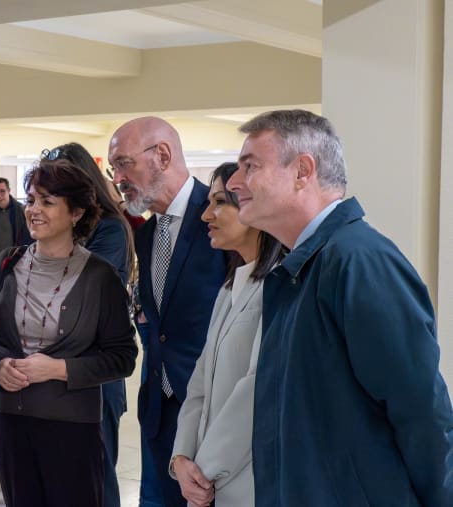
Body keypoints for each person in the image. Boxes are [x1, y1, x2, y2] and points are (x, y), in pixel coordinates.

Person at [226, 109, 453, 506]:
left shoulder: (358, 260)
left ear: (302, 171)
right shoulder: (301, 267)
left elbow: (419, 409)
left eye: (250, 166)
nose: (233, 182)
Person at [0, 159, 138, 507]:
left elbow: (122, 356)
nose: (34, 211)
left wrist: (57, 369)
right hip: (9, 419)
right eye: (30, 200)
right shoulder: (7, 264)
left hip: (71, 425)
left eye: (47, 202)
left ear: (76, 213)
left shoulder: (100, 276)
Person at [109, 117, 227, 507]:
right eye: (114, 169)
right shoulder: (145, 233)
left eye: (124, 164)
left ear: (162, 155)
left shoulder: (220, 219)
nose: (118, 178)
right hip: (159, 409)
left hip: (213, 411)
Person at [169, 163, 284, 507]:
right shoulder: (230, 286)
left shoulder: (278, 289)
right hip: (207, 479)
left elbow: (255, 390)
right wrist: (181, 458)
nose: (206, 215)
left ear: (252, 205)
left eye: (219, 202)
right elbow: (199, 384)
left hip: (246, 480)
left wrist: (203, 470)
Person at [40, 142, 136, 507]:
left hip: (94, 371)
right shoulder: (49, 231)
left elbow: (83, 292)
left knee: (95, 477)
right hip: (52, 372)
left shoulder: (110, 229)